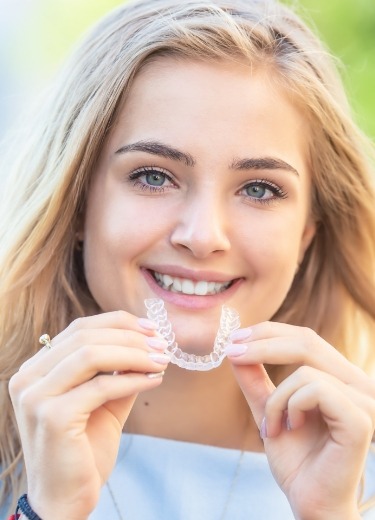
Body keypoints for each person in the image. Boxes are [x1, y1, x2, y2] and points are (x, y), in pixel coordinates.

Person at [1, 0, 375, 518]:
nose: (202, 236)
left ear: (307, 235)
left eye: (260, 189)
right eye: (153, 176)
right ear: (77, 204)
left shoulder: (356, 478)